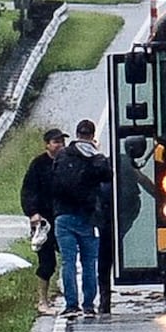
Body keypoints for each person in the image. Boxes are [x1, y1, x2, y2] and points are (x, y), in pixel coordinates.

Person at [51, 119, 112, 318]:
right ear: (92, 135)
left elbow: (54, 181)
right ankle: (89, 305)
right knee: (89, 262)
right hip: (88, 217)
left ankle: (71, 305)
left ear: (77, 134)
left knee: (68, 261)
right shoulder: (97, 158)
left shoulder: (62, 155)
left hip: (64, 215)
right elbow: (108, 178)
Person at [19, 127, 67, 314]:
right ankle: (42, 301)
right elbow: (28, 191)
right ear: (47, 144)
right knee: (47, 262)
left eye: (62, 141)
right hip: (44, 221)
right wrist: (32, 213)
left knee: (70, 257)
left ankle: (72, 298)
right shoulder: (38, 165)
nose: (60, 145)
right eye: (56, 142)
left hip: (64, 217)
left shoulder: (67, 162)